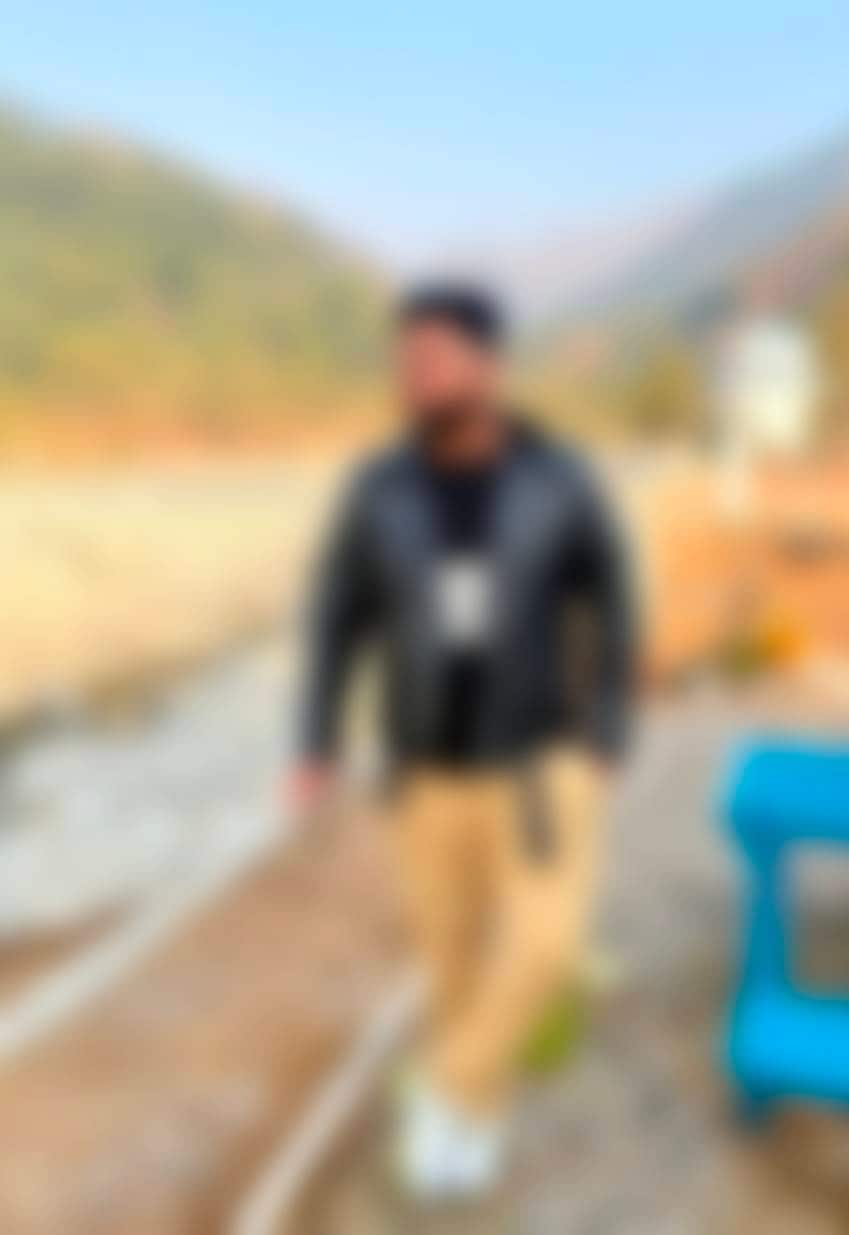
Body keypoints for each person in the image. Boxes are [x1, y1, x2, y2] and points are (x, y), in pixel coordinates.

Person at [286, 282, 637, 1200]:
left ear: (488, 366)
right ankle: (472, 1125)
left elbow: (611, 596)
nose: (414, 375)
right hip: (423, 774)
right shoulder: (378, 489)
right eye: (405, 360)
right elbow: (336, 616)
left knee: (545, 949)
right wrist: (315, 739)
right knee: (449, 966)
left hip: (539, 766)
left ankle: (439, 1090)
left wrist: (606, 722)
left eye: (434, 358)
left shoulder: (557, 478)